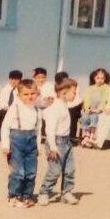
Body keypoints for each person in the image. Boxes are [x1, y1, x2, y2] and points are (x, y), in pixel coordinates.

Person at [1, 80, 42, 208]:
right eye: (26, 94)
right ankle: (14, 195)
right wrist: (5, 145)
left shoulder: (37, 110)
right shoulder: (14, 109)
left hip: (31, 142)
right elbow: (5, 127)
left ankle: (27, 195)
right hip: (16, 141)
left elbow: (38, 130)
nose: (30, 96)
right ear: (19, 96)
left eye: (32, 93)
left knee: (31, 172)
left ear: (37, 93)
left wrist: (38, 146)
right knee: (17, 171)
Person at [40, 78, 80, 206]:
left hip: (66, 141)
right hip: (56, 142)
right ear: (64, 93)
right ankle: (44, 192)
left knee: (70, 169)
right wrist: (53, 146)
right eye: (73, 92)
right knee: (55, 170)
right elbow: (50, 130)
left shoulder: (63, 105)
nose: (75, 95)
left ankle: (66, 192)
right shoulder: (55, 108)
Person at [80, 68, 110, 148]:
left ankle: (92, 136)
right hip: (89, 109)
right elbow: (86, 99)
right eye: (98, 78)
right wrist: (87, 108)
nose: (100, 80)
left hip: (99, 110)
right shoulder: (90, 88)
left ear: (105, 79)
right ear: (94, 78)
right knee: (85, 117)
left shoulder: (106, 88)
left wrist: (98, 109)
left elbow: (104, 100)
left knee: (94, 117)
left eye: (102, 78)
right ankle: (86, 136)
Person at [0, 70, 22, 142]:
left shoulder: (21, 89)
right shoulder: (6, 88)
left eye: (16, 80)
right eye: (12, 79)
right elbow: (2, 101)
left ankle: (12, 135)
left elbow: (19, 102)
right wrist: (5, 107)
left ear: (20, 80)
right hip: (6, 108)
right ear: (9, 79)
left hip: (17, 109)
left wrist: (11, 108)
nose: (13, 81)